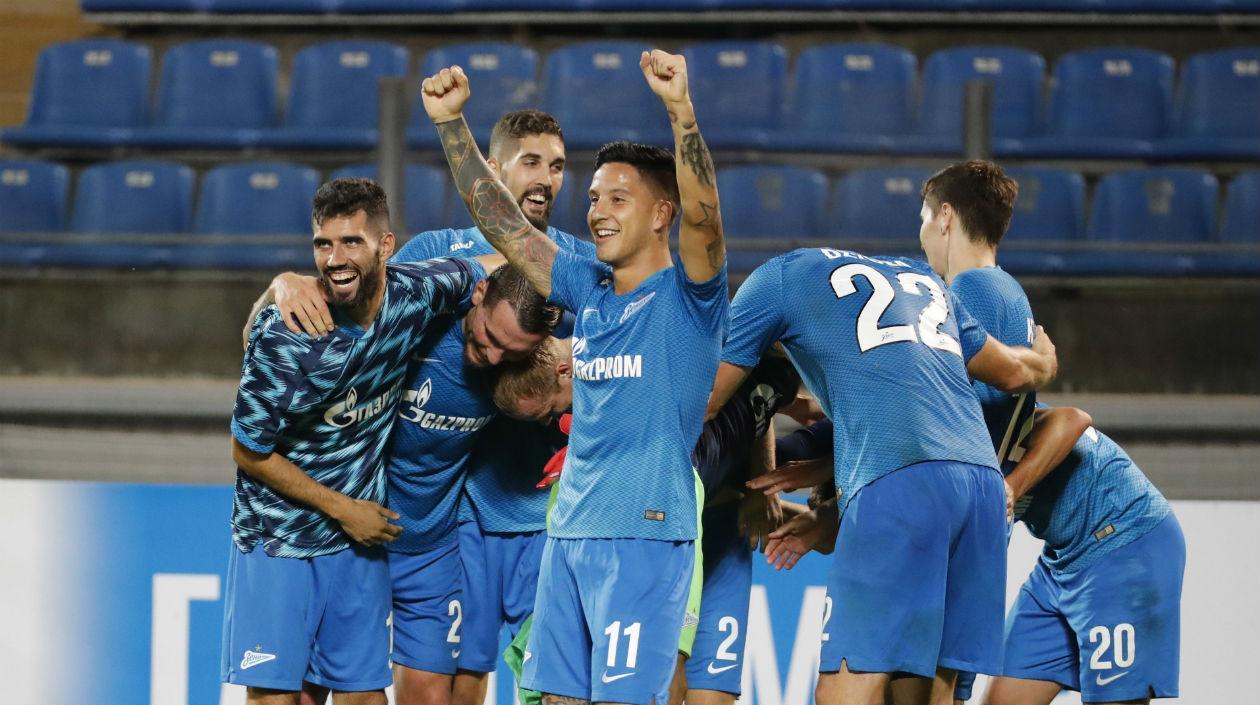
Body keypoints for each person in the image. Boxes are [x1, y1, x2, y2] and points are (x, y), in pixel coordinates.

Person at [421, 47, 729, 705]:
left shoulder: (692, 300)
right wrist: (451, 124)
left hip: (644, 538)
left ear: (661, 213)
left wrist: (680, 111)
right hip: (567, 540)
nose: (596, 210)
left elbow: (707, 218)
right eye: (593, 197)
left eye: (619, 197)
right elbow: (502, 223)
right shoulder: (586, 287)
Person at [708, 243, 1059, 705]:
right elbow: (1015, 371)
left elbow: (707, 400)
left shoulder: (775, 279)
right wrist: (1048, 361)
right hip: (982, 488)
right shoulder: (923, 279)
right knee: (929, 691)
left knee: (844, 689)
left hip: (900, 481)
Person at [915, 162, 1185, 705]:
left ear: (945, 217)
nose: (918, 231)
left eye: (922, 216)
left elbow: (1071, 418)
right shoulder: (978, 294)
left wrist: (1007, 492)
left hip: (1119, 538)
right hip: (1062, 560)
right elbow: (1028, 420)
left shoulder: (975, 288)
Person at [223, 178, 486, 705]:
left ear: (385, 247)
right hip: (280, 539)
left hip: (354, 546)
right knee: (276, 698)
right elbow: (247, 450)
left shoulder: (414, 295)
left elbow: (489, 266)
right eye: (323, 245)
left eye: (352, 243)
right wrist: (343, 508)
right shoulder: (288, 334)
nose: (335, 259)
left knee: (364, 697)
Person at [492, 341, 804, 705]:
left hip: (702, 515)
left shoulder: (744, 360)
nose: (549, 422)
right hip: (664, 516)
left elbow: (758, 406)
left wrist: (763, 485)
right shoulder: (611, 423)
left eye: (546, 412)